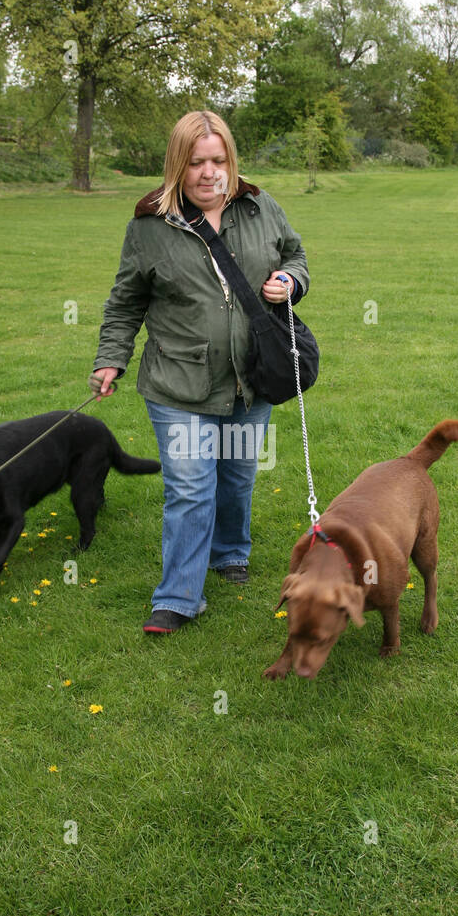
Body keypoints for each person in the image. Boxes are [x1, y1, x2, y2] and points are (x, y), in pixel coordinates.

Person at [92, 109, 311, 635]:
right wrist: (110, 356)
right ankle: (178, 598)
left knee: (237, 477)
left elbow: (297, 255)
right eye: (196, 163)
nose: (209, 172)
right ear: (177, 166)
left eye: (219, 160)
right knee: (190, 487)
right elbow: (126, 301)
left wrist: (289, 280)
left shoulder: (261, 207)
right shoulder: (149, 226)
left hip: (250, 378)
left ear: (231, 161)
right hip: (179, 384)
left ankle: (230, 551)